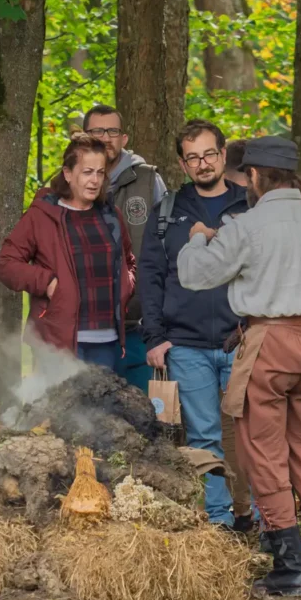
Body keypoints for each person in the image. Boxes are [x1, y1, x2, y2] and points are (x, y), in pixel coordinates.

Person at [177, 136, 301, 596]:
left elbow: (195, 274)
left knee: (263, 450)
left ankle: (290, 568)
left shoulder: (247, 225)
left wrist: (197, 238)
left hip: (270, 340)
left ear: (252, 176)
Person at [139, 119, 254, 532]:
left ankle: (265, 519)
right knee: (204, 437)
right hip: (186, 344)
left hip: (244, 340)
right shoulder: (168, 212)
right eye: (193, 158)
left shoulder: (250, 207)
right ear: (182, 164)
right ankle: (219, 522)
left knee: (254, 433)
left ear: (222, 155)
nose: (203, 164)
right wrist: (155, 337)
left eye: (209, 154)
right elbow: (151, 277)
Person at [0, 135, 135, 369]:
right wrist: (47, 282)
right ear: (68, 174)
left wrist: (127, 286)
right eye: (87, 172)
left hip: (106, 341)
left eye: (100, 173)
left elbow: (129, 259)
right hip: (56, 341)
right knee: (60, 396)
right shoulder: (43, 214)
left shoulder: (111, 215)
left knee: (104, 395)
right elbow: (6, 263)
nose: (94, 181)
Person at [82, 104, 169, 391]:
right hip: (86, 328)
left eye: (112, 131)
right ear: (83, 136)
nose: (105, 138)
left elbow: (167, 247)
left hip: (137, 324)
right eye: (97, 131)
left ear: (124, 138)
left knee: (142, 409)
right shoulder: (70, 182)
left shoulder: (148, 180)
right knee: (89, 409)